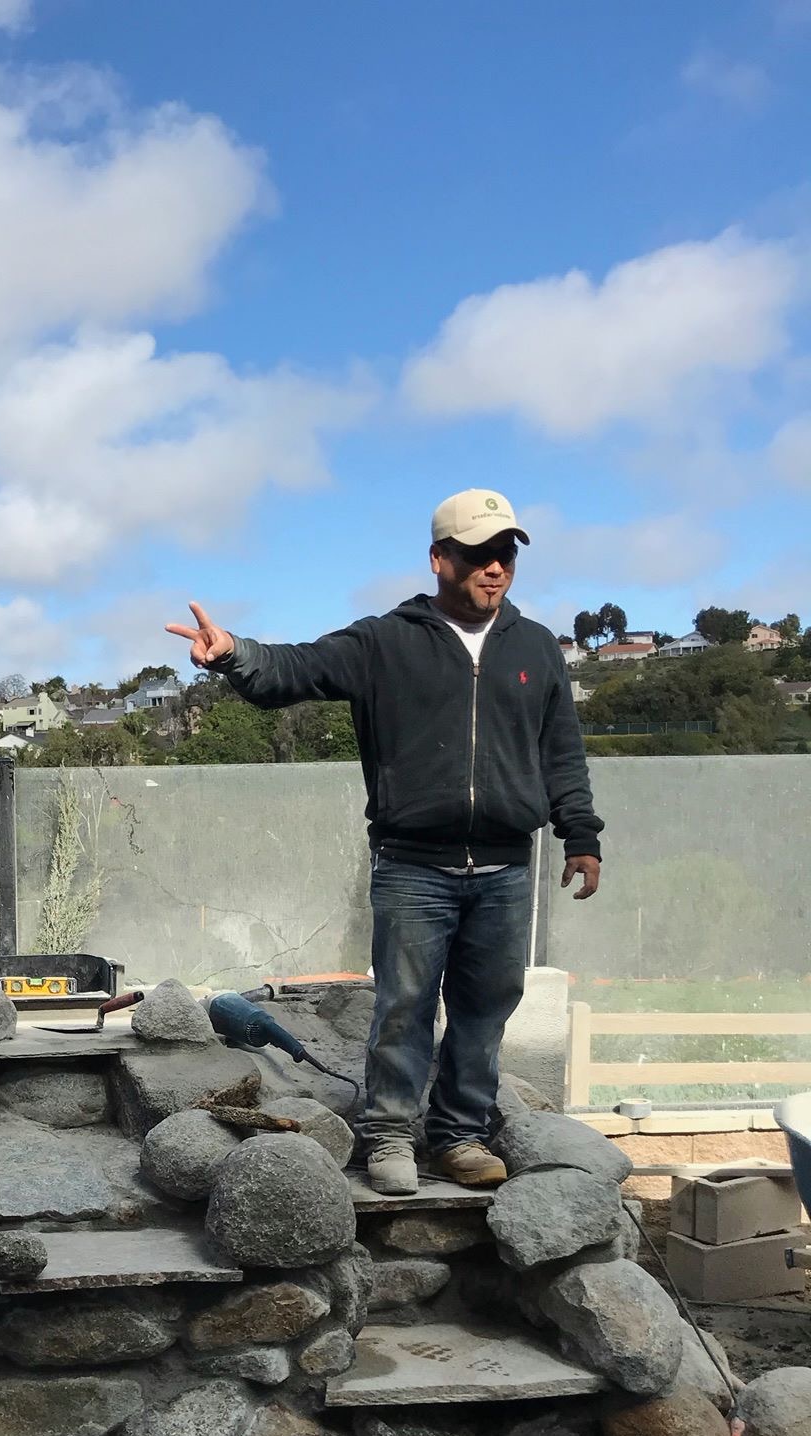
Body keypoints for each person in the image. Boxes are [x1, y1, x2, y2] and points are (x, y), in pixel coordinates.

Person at [167, 489, 603, 1195]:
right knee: (403, 1003)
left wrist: (580, 835)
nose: (496, 568)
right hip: (413, 866)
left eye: (506, 555)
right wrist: (231, 655)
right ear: (440, 559)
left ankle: (459, 1135)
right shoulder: (385, 641)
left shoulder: (534, 650)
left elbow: (562, 751)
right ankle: (389, 1134)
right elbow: (296, 669)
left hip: (505, 867)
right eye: (479, 555)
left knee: (486, 1007)